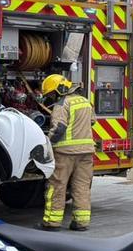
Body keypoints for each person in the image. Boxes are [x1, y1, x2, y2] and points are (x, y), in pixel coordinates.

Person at [40, 74, 95, 232]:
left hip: (65, 153)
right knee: (82, 187)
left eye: (51, 94)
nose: (51, 97)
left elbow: (59, 129)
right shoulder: (85, 101)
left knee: (57, 186)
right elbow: (92, 121)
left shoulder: (62, 104)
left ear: (58, 90)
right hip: (86, 152)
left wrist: (47, 143)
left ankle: (52, 223)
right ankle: (81, 223)